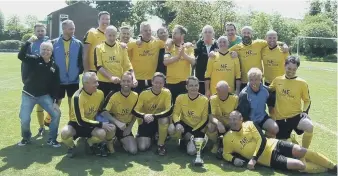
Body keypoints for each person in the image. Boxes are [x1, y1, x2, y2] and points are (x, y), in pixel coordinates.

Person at [222, 111, 337, 174]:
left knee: (301, 150)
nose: (233, 122)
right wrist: (233, 159)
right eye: (231, 119)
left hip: (274, 144)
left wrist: (253, 159)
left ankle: (333, 166)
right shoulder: (227, 138)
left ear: (241, 119)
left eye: (235, 119)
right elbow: (225, 153)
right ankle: (325, 169)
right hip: (269, 159)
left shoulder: (250, 124)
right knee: (300, 165)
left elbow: (261, 140)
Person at [60, 72, 116, 158]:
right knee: (64, 133)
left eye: (97, 81)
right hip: (76, 124)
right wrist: (101, 124)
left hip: (91, 123)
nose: (97, 84)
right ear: (86, 83)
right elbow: (81, 121)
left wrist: (107, 121)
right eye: (95, 82)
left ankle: (90, 143)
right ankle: (71, 147)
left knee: (102, 133)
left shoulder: (100, 93)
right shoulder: (77, 97)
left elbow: (101, 110)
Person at [17, 39, 61, 147]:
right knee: (25, 118)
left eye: (48, 50)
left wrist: (55, 101)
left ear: (51, 51)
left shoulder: (54, 66)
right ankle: (26, 137)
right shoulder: (34, 59)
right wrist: (27, 43)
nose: (45, 51)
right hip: (28, 95)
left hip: (44, 96)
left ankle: (52, 139)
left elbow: (56, 85)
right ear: (40, 50)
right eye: (43, 49)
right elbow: (21, 56)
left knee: (56, 114)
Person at [44, 20, 83, 127]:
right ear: (64, 29)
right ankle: (48, 121)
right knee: (57, 102)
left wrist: (77, 72)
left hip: (73, 80)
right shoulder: (53, 43)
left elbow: (81, 61)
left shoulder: (79, 44)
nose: (73, 30)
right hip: (58, 80)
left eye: (73, 28)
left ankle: (72, 123)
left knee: (73, 103)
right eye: (71, 29)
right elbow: (49, 61)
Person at [268, 56, 313, 149]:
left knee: (309, 126)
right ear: (284, 66)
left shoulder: (302, 83)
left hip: (295, 116)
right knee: (284, 147)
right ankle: (290, 138)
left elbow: (307, 100)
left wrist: (304, 111)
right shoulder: (277, 80)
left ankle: (304, 151)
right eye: (289, 68)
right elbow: (268, 90)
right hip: (280, 118)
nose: (291, 71)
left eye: (294, 69)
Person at [229, 26, 289, 90]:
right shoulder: (237, 47)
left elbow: (271, 41)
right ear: (241, 34)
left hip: (258, 80)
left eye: (248, 33)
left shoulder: (259, 43)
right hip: (244, 81)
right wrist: (232, 53)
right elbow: (226, 52)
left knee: (260, 99)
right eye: (244, 33)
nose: (246, 35)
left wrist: (284, 44)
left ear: (252, 34)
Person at [132, 72, 172, 155]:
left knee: (164, 120)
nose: (158, 85)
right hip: (147, 121)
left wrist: (154, 116)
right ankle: (152, 137)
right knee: (142, 147)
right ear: (152, 82)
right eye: (156, 82)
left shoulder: (167, 92)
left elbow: (169, 110)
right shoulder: (144, 93)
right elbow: (135, 110)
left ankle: (161, 144)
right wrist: (144, 115)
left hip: (159, 120)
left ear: (164, 84)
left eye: (161, 83)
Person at [21, 23, 49, 135]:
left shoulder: (50, 42)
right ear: (34, 32)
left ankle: (47, 122)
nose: (40, 33)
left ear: (45, 31)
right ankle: (41, 127)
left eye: (42, 30)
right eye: (38, 31)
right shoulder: (30, 44)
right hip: (34, 80)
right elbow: (24, 61)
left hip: (47, 79)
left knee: (50, 104)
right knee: (39, 105)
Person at [94, 25, 137, 97]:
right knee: (102, 106)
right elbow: (98, 66)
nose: (112, 38)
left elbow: (128, 66)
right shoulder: (98, 48)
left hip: (118, 82)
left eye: (114, 35)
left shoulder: (122, 47)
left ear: (117, 35)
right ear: (105, 34)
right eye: (109, 35)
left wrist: (134, 78)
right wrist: (111, 77)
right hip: (103, 82)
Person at [102, 71, 138, 154]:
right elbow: (103, 112)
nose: (126, 83)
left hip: (125, 127)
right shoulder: (113, 94)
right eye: (124, 81)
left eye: (128, 81)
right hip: (113, 124)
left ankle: (119, 140)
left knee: (133, 151)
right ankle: (109, 141)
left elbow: (136, 114)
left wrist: (129, 128)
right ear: (120, 82)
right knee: (111, 128)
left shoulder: (136, 96)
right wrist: (116, 122)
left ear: (132, 83)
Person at [237, 68, 279, 138]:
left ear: (260, 79)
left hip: (262, 117)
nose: (253, 82)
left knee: (274, 129)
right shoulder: (244, 94)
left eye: (256, 79)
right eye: (251, 80)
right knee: (257, 136)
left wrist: (272, 113)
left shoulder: (266, 90)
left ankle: (267, 144)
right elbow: (243, 115)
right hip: (250, 121)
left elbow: (271, 101)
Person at [172, 76, 209, 155]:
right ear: (187, 87)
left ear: (199, 86)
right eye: (191, 85)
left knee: (191, 152)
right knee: (171, 128)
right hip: (185, 125)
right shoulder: (180, 97)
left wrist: (193, 132)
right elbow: (175, 114)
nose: (194, 88)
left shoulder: (204, 100)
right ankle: (184, 140)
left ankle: (200, 140)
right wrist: (177, 124)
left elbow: (204, 119)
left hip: (197, 128)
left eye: (196, 85)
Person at [127, 22, 165, 93]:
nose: (148, 32)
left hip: (152, 80)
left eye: (149, 30)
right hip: (136, 80)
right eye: (145, 30)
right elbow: (121, 47)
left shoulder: (157, 43)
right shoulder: (134, 44)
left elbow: (170, 43)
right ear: (141, 32)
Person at [164, 25, 195, 103]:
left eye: (176, 33)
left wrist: (184, 55)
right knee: (172, 105)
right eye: (173, 33)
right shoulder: (169, 46)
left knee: (184, 106)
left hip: (184, 82)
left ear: (182, 35)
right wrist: (177, 57)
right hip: (171, 82)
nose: (173, 35)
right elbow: (165, 62)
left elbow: (193, 61)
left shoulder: (189, 47)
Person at [207, 81, 238, 156]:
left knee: (237, 126)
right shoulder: (212, 99)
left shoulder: (235, 98)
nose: (223, 94)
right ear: (216, 90)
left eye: (225, 92)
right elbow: (211, 116)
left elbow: (237, 115)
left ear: (229, 89)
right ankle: (216, 143)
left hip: (230, 123)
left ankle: (227, 145)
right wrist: (218, 123)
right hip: (219, 123)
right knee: (210, 127)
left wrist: (232, 125)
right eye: (221, 92)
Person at [262, 30, 289, 114]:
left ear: (277, 38)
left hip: (281, 83)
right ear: (265, 38)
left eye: (274, 37)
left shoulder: (283, 50)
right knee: (270, 106)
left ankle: (282, 124)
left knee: (281, 106)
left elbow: (289, 64)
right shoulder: (262, 49)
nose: (272, 39)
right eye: (269, 37)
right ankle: (274, 124)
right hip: (268, 83)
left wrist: (285, 44)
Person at [194, 25, 218, 95]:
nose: (207, 34)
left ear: (213, 34)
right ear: (202, 34)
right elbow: (193, 55)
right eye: (205, 32)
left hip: (214, 76)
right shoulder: (198, 44)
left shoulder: (218, 44)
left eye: (210, 32)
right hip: (201, 77)